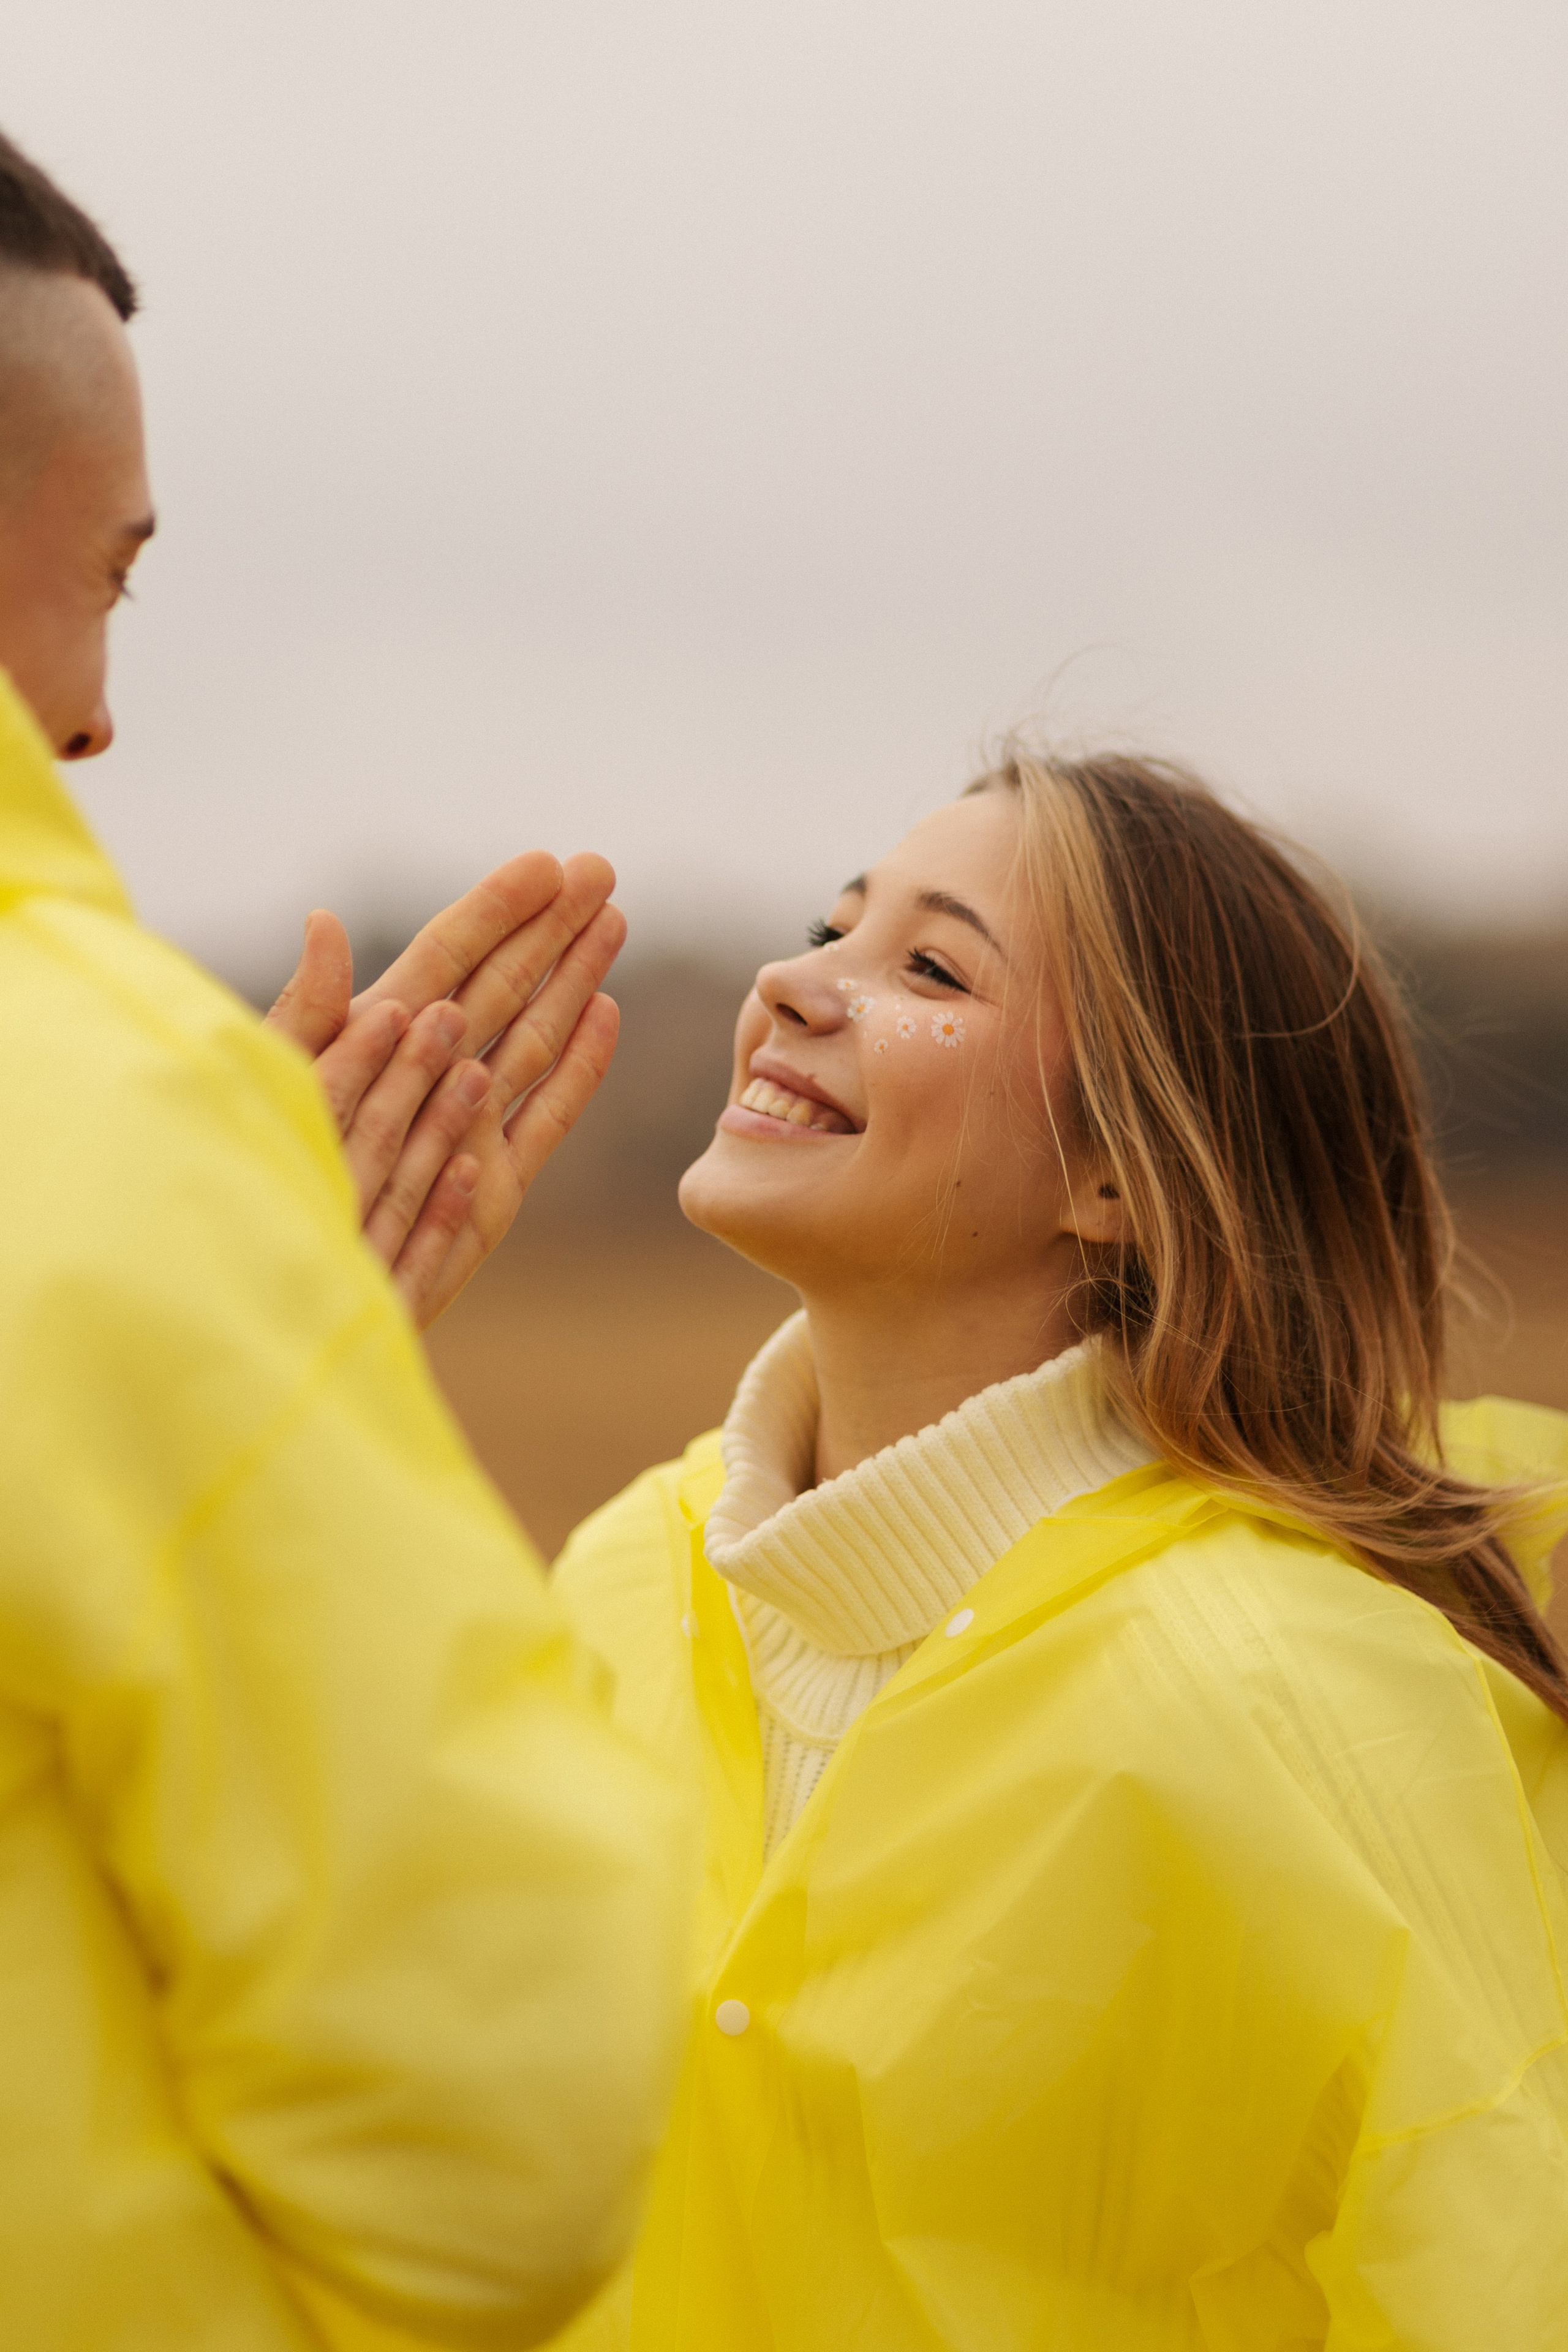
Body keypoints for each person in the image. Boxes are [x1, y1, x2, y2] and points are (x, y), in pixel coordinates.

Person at [548, 752, 1568, 2350]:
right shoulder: (612, 1580)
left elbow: (1489, 2270)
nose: (792, 983)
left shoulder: (1290, 1693)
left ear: (1112, 1173)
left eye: (930, 967)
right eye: (833, 925)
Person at [0, 130, 696, 2351]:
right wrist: (251, 1329)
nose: (104, 706)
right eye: (109, 569)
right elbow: (498, 2114)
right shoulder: (102, 1116)